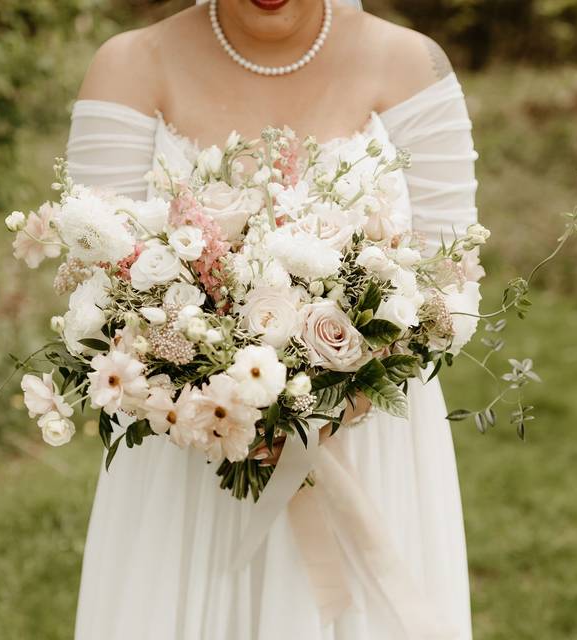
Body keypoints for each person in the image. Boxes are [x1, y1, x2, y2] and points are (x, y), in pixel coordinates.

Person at [67, 1, 478, 637]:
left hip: (369, 442)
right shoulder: (128, 68)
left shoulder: (410, 66)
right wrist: (207, 386)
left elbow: (452, 284)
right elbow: (97, 292)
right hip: (187, 454)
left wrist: (344, 387)